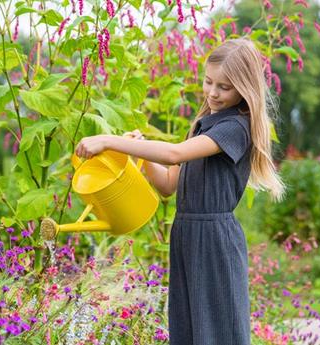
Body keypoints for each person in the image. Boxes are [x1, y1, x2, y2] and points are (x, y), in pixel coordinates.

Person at [75, 38, 285, 345]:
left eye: (224, 87)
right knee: (189, 329)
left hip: (214, 238)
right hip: (187, 233)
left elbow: (174, 154)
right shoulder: (204, 124)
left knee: (219, 330)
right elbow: (168, 185)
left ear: (244, 88)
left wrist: (110, 141)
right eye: (209, 81)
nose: (213, 92)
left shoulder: (235, 128)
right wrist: (143, 152)